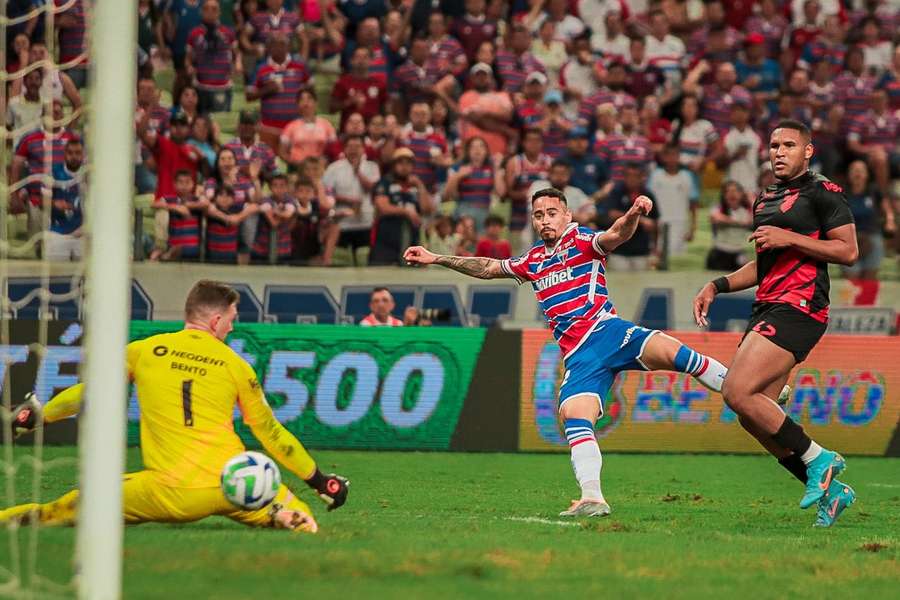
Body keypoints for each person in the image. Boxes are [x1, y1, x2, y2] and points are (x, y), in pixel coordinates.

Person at [404, 189, 742, 518]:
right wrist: (436, 258)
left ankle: (746, 390)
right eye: (539, 215)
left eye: (552, 213)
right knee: (574, 415)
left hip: (608, 332)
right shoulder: (533, 260)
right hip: (580, 355)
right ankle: (592, 498)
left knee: (677, 354)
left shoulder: (581, 240)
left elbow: (615, 235)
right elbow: (488, 267)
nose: (545, 220)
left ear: (567, 216)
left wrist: (634, 213)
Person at [3, 280, 348, 532]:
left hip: (164, 492)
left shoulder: (145, 351)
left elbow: (91, 392)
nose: (232, 324)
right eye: (231, 317)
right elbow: (271, 433)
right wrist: (319, 481)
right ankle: (280, 514)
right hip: (233, 485)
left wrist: (38, 415)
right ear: (215, 321)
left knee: (56, 512)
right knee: (306, 526)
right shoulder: (236, 365)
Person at [693, 120, 859, 528]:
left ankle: (822, 460)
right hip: (766, 306)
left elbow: (848, 250)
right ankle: (832, 490)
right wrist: (718, 285)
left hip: (801, 306)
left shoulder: (824, 192)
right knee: (753, 414)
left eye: (788, 145)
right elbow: (764, 265)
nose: (778, 152)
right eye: (773, 145)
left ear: (808, 151)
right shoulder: (765, 199)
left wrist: (792, 239)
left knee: (736, 389)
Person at [322, 134, 380, 265]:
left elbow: (373, 189)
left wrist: (358, 171)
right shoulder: (334, 168)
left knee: (364, 262)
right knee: (342, 263)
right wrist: (347, 200)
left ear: (363, 149)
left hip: (365, 223)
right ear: (344, 149)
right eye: (350, 146)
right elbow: (326, 195)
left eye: (357, 146)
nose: (354, 150)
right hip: (342, 225)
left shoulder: (372, 167)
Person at [370, 148, 433, 265]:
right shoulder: (385, 183)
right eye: (400, 163)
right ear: (394, 165)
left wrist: (420, 186)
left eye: (408, 163)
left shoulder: (416, 185)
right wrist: (407, 212)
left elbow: (427, 209)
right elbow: (383, 207)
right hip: (387, 238)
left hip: (411, 238)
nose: (404, 167)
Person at [597, 163, 660, 270]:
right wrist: (639, 219)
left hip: (641, 251)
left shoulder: (648, 195)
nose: (632, 179)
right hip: (618, 250)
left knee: (641, 284)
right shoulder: (617, 192)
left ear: (641, 177)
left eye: (635, 176)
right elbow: (612, 214)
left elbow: (655, 223)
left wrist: (655, 249)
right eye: (628, 175)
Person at [186, 0, 241, 113]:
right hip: (201, 86)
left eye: (214, 9)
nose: (210, 12)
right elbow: (188, 58)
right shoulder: (194, 33)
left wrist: (238, 64)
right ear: (201, 12)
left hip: (223, 86)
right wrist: (189, 67)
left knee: (221, 119)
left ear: (219, 12)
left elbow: (237, 53)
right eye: (206, 9)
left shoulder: (228, 32)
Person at [842, 160, 893, 281]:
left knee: (869, 278)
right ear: (849, 175)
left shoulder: (873, 191)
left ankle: (867, 298)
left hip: (872, 234)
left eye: (861, 171)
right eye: (854, 170)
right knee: (852, 277)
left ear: (867, 174)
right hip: (849, 237)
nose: (858, 173)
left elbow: (886, 207)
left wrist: (890, 220)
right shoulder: (841, 192)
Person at [648, 144, 698, 257]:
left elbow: (693, 204)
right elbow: (648, 200)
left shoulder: (687, 176)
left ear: (679, 157)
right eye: (668, 155)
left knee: (676, 258)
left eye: (675, 155)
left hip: (680, 223)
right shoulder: (656, 175)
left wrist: (692, 228)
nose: (671, 158)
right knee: (657, 257)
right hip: (660, 223)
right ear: (663, 157)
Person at [46, 138, 86, 262]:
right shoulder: (53, 173)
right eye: (70, 153)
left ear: (83, 154)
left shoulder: (90, 174)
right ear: (64, 154)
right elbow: (41, 200)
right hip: (58, 233)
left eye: (78, 153)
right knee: (56, 275)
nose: (74, 157)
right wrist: (53, 203)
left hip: (83, 234)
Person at [279, 87, 337, 168]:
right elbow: (282, 152)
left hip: (321, 168)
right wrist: (294, 164)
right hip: (297, 169)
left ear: (316, 103)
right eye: (302, 100)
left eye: (309, 99)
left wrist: (326, 162)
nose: (305, 103)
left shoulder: (326, 125)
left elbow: (335, 148)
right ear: (298, 105)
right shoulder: (290, 126)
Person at [706, 180, 753, 271]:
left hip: (738, 253)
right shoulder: (719, 208)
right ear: (723, 195)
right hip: (720, 253)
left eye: (735, 191)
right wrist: (739, 222)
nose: (732, 194)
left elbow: (752, 220)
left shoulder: (746, 211)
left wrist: (750, 199)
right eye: (728, 191)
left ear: (742, 194)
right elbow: (715, 218)